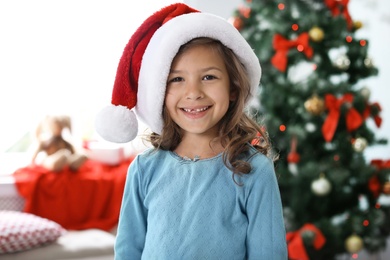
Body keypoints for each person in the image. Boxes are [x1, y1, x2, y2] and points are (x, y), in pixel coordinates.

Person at [95, 3, 287, 259]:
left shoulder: (254, 170)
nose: (193, 92)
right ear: (160, 93)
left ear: (233, 87)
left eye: (208, 77)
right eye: (177, 79)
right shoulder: (143, 169)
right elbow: (128, 251)